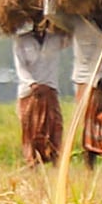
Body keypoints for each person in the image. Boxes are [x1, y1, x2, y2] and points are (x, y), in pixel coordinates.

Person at [45, 0, 102, 173]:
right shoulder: (77, 23)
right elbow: (51, 13)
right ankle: (91, 171)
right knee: (90, 128)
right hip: (87, 83)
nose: (99, 8)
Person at [12, 18, 68, 166]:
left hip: (50, 89)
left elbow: (72, 36)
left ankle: (56, 163)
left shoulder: (56, 39)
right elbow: (20, 67)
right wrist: (32, 84)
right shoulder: (21, 41)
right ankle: (32, 162)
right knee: (30, 129)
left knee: (55, 126)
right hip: (29, 92)